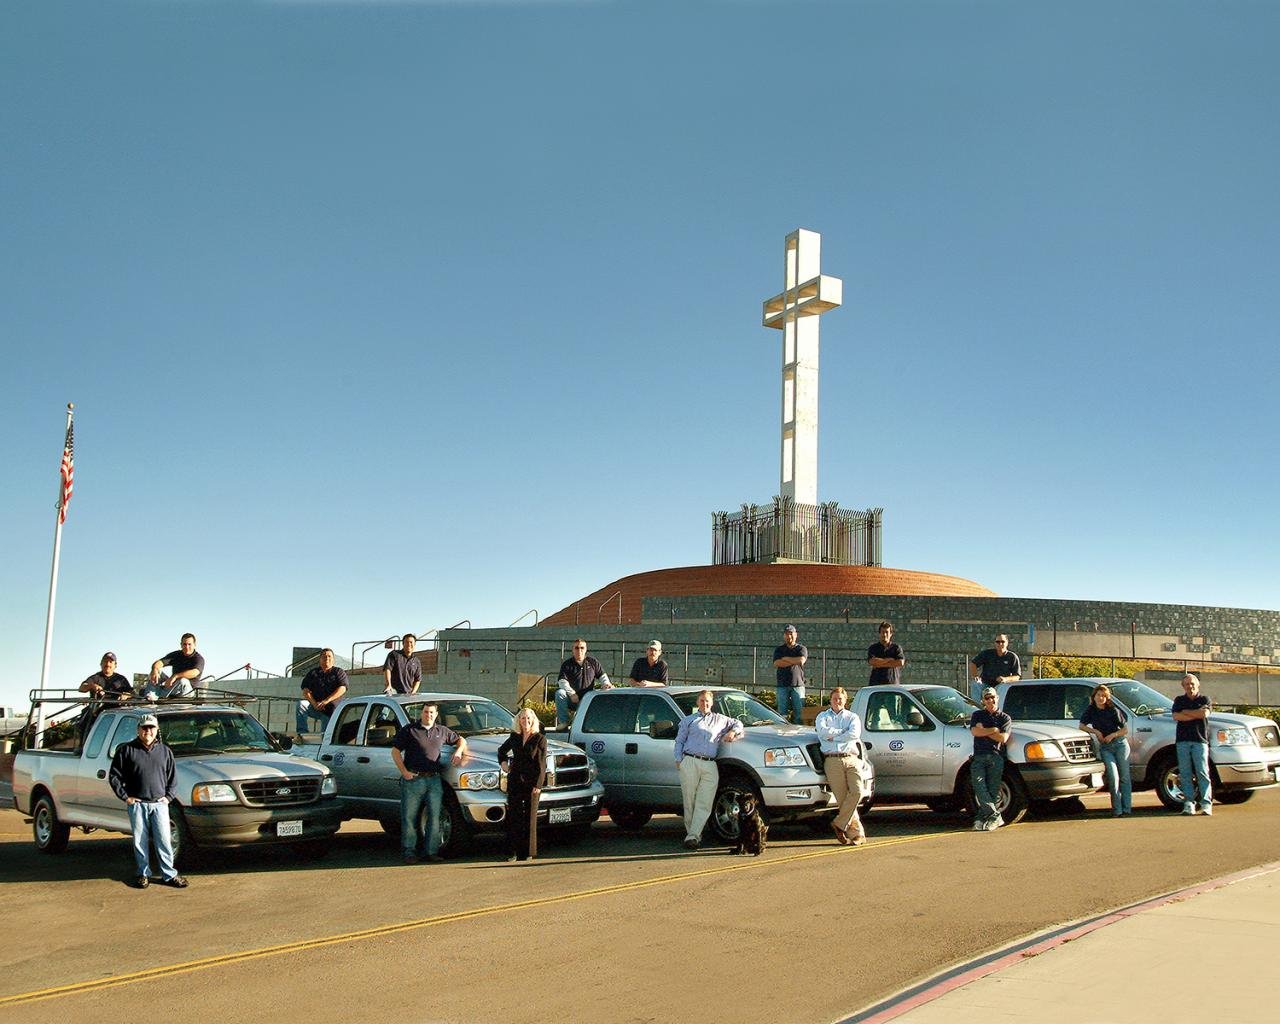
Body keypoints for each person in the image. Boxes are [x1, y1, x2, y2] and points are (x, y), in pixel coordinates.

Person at [108, 713, 187, 889]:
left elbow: (173, 779)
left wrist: (168, 798)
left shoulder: (165, 751)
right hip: (137, 805)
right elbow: (114, 776)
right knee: (139, 841)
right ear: (138, 730)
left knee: (164, 840)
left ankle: (169, 874)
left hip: (159, 805)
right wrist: (125, 797)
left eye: (151, 727)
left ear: (156, 729)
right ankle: (143, 873)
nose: (148, 731)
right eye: (144, 728)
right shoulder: (126, 750)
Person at [391, 702, 469, 862]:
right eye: (426, 712)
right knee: (409, 817)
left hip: (434, 779)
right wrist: (404, 772)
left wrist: (459, 751)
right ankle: (409, 852)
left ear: (436, 713)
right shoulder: (410, 730)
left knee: (435, 816)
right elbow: (395, 751)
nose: (429, 715)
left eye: (432, 712)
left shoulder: (442, 731)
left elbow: (461, 740)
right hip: (413, 779)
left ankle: (431, 852)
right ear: (422, 713)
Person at [673, 689, 743, 850]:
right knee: (689, 800)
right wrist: (679, 760)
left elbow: (737, 723)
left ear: (712, 703)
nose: (705, 704)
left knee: (704, 801)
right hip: (690, 761)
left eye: (707, 701)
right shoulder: (688, 720)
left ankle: (693, 836)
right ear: (697, 702)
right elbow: (679, 741)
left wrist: (733, 732)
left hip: (710, 763)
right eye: (702, 701)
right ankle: (691, 834)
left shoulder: (720, 720)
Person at [814, 687, 867, 846]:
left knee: (858, 792)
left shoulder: (852, 717)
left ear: (846, 701)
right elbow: (822, 733)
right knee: (843, 799)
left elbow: (854, 735)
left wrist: (833, 736)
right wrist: (842, 733)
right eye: (835, 698)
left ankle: (839, 823)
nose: (838, 701)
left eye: (841, 699)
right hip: (832, 760)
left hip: (851, 758)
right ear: (830, 700)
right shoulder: (822, 716)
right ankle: (857, 834)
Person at [497, 708, 547, 862]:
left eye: (528, 718)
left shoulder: (540, 739)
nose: (526, 721)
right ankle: (513, 851)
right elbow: (501, 751)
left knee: (530, 817)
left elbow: (542, 764)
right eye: (523, 718)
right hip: (515, 780)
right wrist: (504, 763)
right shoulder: (514, 737)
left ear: (533, 720)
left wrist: (538, 784)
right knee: (514, 816)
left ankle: (528, 852)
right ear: (519, 720)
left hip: (532, 783)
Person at [1078, 683, 1132, 816]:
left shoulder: (1113, 710)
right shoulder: (1091, 710)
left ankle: (1127, 808)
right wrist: (1095, 731)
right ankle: (1117, 809)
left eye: (1104, 696)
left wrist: (1113, 735)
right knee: (1113, 777)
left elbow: (1125, 730)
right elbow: (1081, 725)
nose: (1101, 698)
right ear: (1094, 697)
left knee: (1124, 777)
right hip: (1106, 748)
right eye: (1098, 695)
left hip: (1119, 744)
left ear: (1107, 698)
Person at [968, 688, 1012, 832]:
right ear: (983, 701)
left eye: (992, 697)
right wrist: (993, 730)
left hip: (996, 757)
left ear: (997, 698)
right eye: (987, 698)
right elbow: (974, 731)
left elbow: (1003, 738)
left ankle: (982, 818)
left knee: (992, 791)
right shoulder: (977, 714)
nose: (990, 701)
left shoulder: (1005, 718)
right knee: (979, 786)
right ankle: (995, 816)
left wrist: (985, 731)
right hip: (979, 756)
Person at [1171, 672, 1213, 816]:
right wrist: (1194, 713)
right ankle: (1189, 802)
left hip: (1200, 740)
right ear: (1183, 686)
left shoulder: (1204, 699)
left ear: (1198, 684)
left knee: (1202, 772)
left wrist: (1187, 713)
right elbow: (1176, 716)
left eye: (1192, 684)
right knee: (1185, 773)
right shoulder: (1179, 700)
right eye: (1187, 684)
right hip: (1182, 741)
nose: (1190, 686)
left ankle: (1206, 803)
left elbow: (1204, 714)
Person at [554, 639, 611, 726]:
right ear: (572, 650)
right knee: (560, 693)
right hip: (572, 699)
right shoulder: (567, 664)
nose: (579, 650)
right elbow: (562, 681)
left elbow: (602, 676)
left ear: (586, 649)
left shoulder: (593, 662)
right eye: (576, 648)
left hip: (587, 700)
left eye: (582, 648)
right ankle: (563, 723)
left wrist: (606, 684)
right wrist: (572, 693)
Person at [296, 648, 348, 734]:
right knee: (301, 704)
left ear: (333, 660)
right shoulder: (313, 673)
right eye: (324, 656)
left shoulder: (339, 672)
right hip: (315, 707)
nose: (327, 658)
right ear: (320, 659)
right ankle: (302, 733)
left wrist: (326, 701)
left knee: (324, 737)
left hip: (331, 711)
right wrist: (314, 704)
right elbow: (305, 690)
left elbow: (343, 688)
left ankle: (324, 738)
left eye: (329, 656)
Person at [145, 633, 203, 699]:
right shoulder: (176, 655)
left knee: (183, 681)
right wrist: (155, 669)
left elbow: (195, 672)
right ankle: (151, 696)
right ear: (181, 645)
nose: (187, 647)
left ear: (194, 645)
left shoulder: (198, 659)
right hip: (173, 686)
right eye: (184, 644)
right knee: (157, 671)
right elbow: (159, 662)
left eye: (189, 644)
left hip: (188, 691)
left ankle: (160, 695)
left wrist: (175, 676)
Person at [968, 634, 1021, 702]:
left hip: (1001, 685)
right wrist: (975, 676)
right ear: (995, 643)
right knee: (975, 684)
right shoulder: (987, 654)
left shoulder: (1012, 657)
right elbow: (973, 664)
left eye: (1002, 641)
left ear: (1007, 643)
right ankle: (978, 709)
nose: (1000, 644)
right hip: (985, 684)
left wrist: (1005, 679)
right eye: (997, 642)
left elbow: (1017, 676)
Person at [772, 625, 807, 724]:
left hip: (798, 685)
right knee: (782, 715)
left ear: (796, 635)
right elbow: (776, 663)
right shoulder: (779, 650)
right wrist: (793, 660)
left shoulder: (801, 649)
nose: (789, 636)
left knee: (799, 715)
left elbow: (801, 660)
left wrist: (785, 659)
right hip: (782, 686)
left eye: (791, 634)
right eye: (787, 634)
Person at [866, 621, 905, 685]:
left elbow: (900, 662)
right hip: (876, 685)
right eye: (882, 632)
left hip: (892, 685)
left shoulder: (896, 648)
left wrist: (879, 664)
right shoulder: (873, 648)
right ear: (879, 633)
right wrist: (889, 660)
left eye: (887, 632)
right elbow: (872, 662)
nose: (884, 634)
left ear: (891, 634)